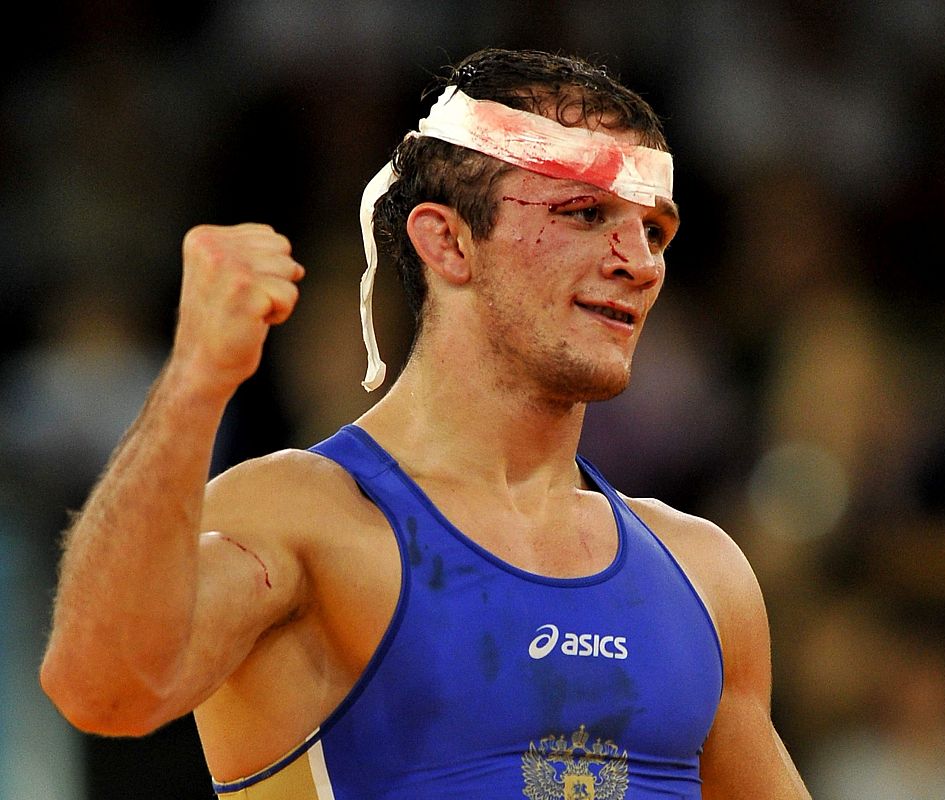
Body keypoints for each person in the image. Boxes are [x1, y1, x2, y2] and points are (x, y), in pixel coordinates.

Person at [40, 48, 812, 799]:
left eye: (654, 231)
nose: (639, 263)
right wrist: (194, 382)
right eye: (585, 213)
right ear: (447, 240)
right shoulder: (303, 523)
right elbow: (102, 689)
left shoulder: (702, 576)